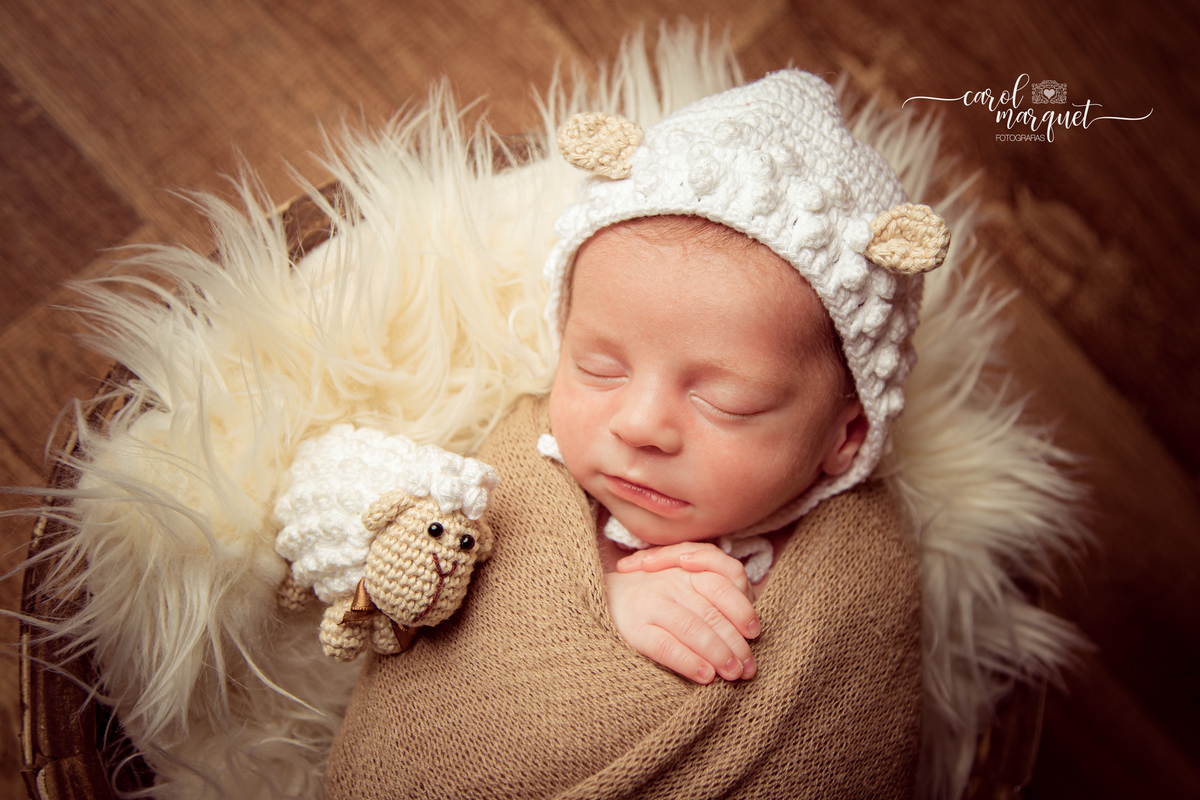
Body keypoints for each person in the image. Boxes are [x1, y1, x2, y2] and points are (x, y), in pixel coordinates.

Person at [324, 68, 945, 799]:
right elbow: (427, 591)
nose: (641, 424)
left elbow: (848, 748)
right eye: (599, 368)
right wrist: (604, 605)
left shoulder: (853, 578)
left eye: (727, 402)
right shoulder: (522, 476)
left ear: (847, 436)